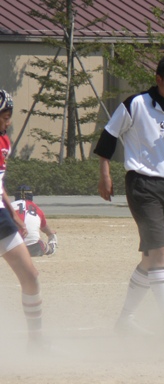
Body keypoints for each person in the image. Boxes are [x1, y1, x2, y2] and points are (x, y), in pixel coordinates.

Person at [93, 55, 164, 336]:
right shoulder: (136, 104)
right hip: (142, 184)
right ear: (158, 80)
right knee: (161, 252)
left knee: (150, 257)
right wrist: (104, 174)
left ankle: (125, 320)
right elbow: (108, 136)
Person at [0, 90, 45, 351]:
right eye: (4, 117)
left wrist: (12, 211)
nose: (8, 123)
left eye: (8, 117)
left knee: (30, 275)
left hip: (1, 216)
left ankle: (36, 342)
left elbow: (0, 182)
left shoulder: (4, 142)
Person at [11, 185, 58, 257]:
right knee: (41, 243)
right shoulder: (37, 209)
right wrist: (50, 233)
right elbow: (44, 228)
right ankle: (50, 249)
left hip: (10, 247)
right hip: (33, 247)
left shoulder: (9, 206)